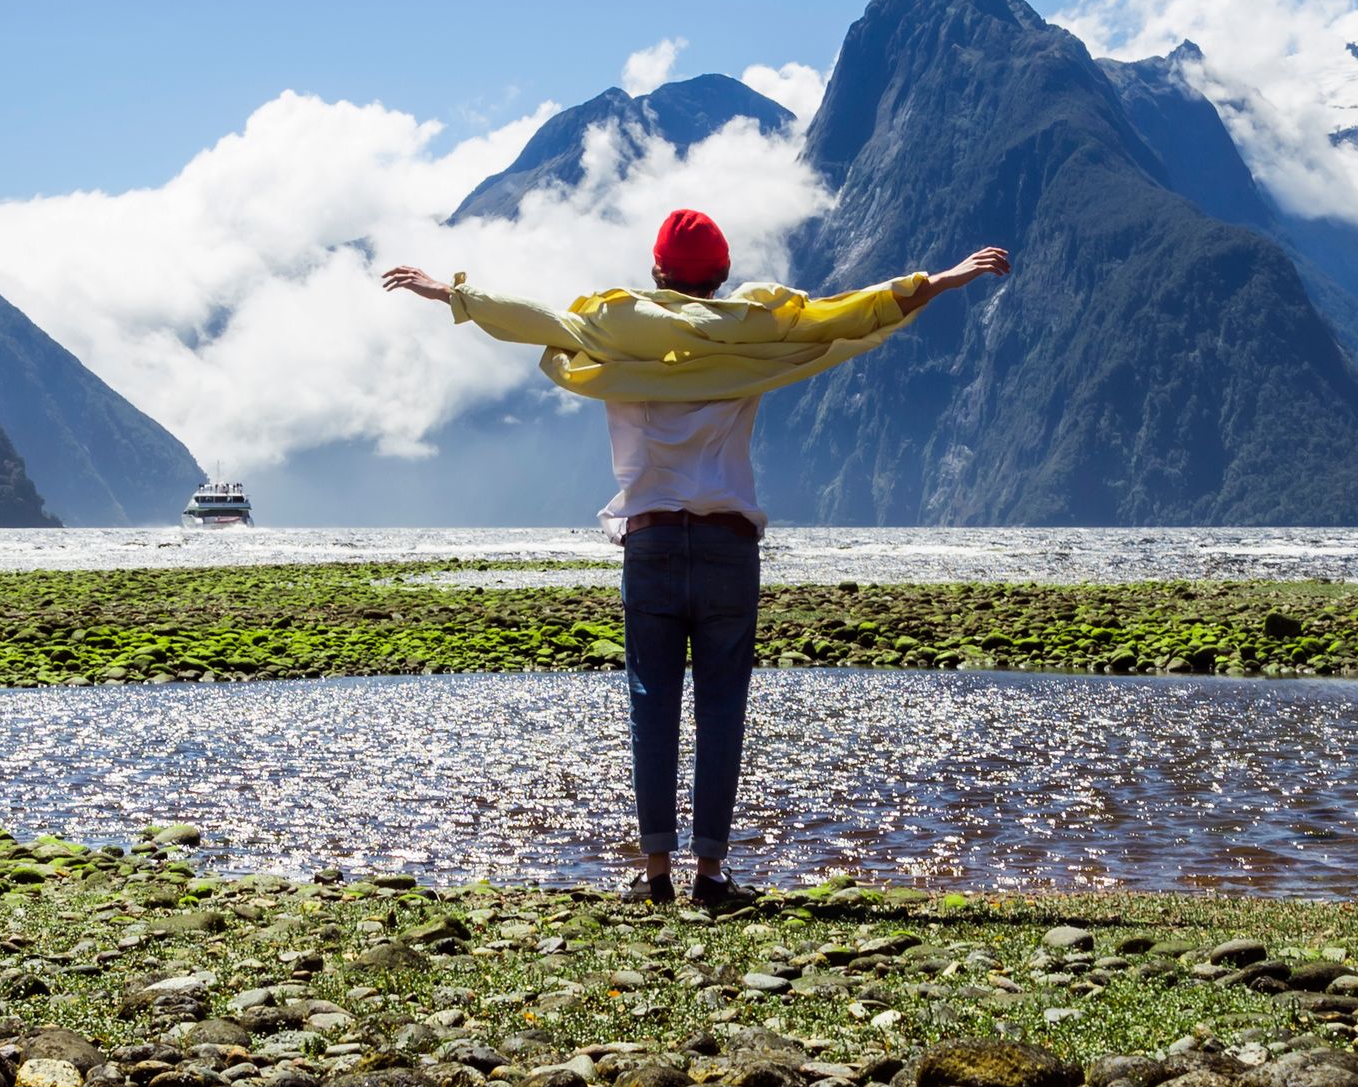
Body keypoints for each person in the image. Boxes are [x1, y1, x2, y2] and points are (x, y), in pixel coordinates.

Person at [382, 209, 1012, 907]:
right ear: (720, 276)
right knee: (721, 710)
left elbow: (530, 318)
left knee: (650, 708)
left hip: (649, 543)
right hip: (726, 546)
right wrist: (941, 281)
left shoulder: (614, 332)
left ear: (658, 273)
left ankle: (655, 873)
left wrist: (450, 293)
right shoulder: (753, 333)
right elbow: (847, 314)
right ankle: (710, 875)